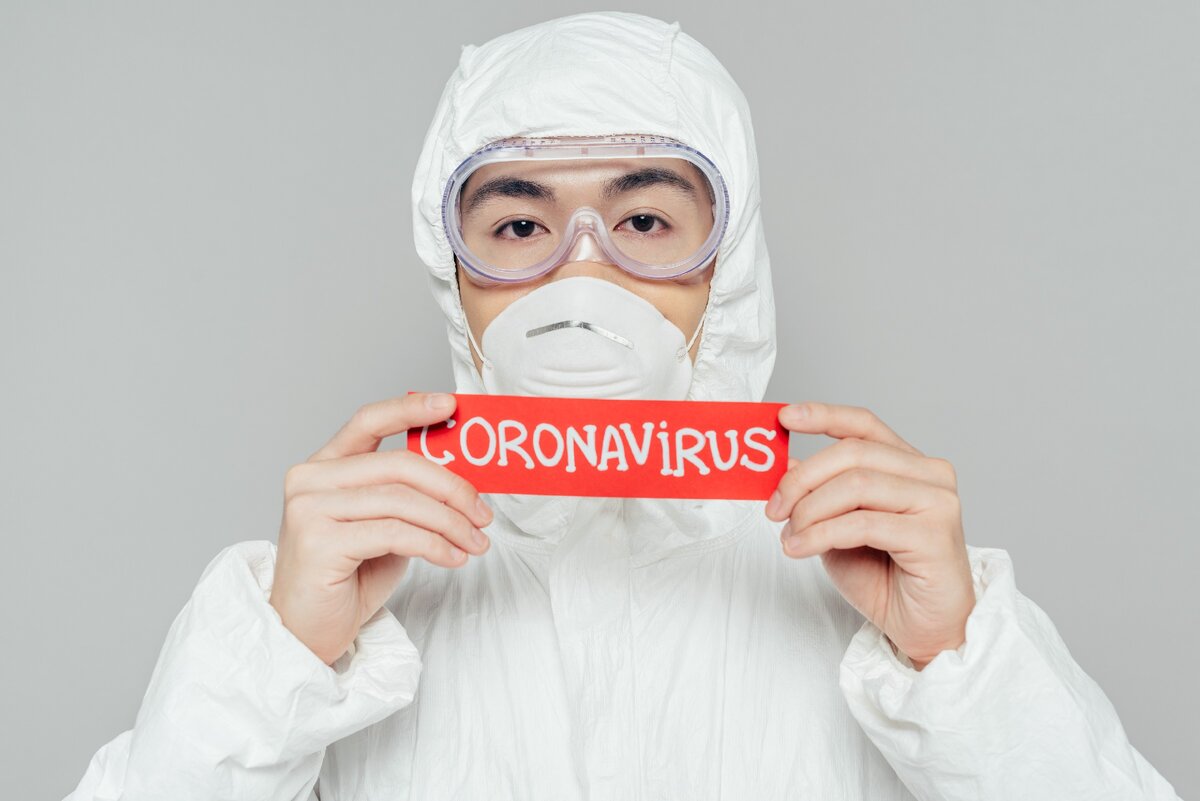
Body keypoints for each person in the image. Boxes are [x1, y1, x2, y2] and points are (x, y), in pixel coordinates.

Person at [66, 11, 1181, 801]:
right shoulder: (327, 604)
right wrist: (277, 664)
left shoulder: (882, 584)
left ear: (727, 264)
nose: (581, 273)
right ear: (454, 273)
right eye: (517, 227)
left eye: (646, 222)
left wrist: (960, 664)